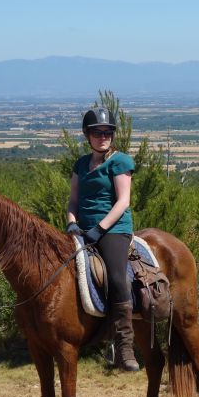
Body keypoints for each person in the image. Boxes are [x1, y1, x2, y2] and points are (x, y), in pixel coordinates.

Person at [66, 107, 139, 371]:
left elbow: (123, 201)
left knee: (117, 277)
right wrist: (72, 223)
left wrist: (100, 228)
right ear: (88, 135)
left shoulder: (120, 162)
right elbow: (73, 200)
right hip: (82, 229)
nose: (103, 136)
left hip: (114, 229)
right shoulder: (81, 165)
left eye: (107, 132)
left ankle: (125, 346)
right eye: (97, 132)